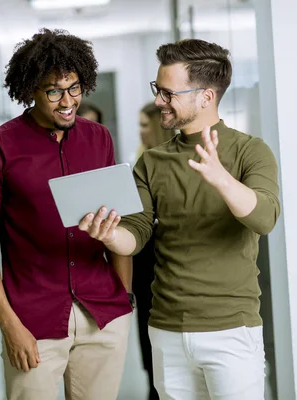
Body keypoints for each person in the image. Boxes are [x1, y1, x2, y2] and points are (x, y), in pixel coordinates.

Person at [79, 38, 280, 400]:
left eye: (168, 93)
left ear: (205, 97)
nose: (159, 101)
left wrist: (221, 178)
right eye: (158, 90)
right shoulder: (152, 161)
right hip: (166, 330)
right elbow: (136, 234)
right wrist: (107, 234)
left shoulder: (251, 151)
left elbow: (264, 218)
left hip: (231, 330)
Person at [0, 28, 133, 400]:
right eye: (54, 91)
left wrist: (124, 295)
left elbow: (115, 217)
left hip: (102, 312)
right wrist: (9, 324)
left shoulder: (98, 137)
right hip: (32, 319)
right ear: (30, 92)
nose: (67, 101)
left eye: (74, 88)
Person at [132, 102, 175, 400]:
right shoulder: (140, 162)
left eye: (145, 125)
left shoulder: (173, 165)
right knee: (147, 331)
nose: (140, 132)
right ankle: (153, 387)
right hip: (142, 262)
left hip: (164, 261)